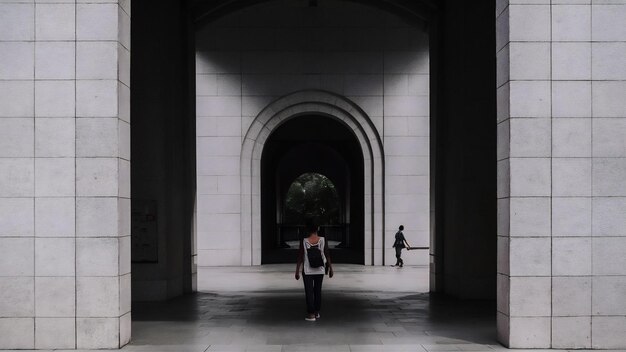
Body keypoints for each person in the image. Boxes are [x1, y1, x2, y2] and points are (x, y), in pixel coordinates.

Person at [295, 223, 333, 321]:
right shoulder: (323, 240)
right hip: (320, 269)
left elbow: (300, 256)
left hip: (307, 270)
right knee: (317, 291)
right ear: (318, 229)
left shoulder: (304, 241)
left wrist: (297, 271)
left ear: (308, 230)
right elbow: (327, 253)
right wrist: (331, 268)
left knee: (309, 292)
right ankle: (316, 312)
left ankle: (311, 314)